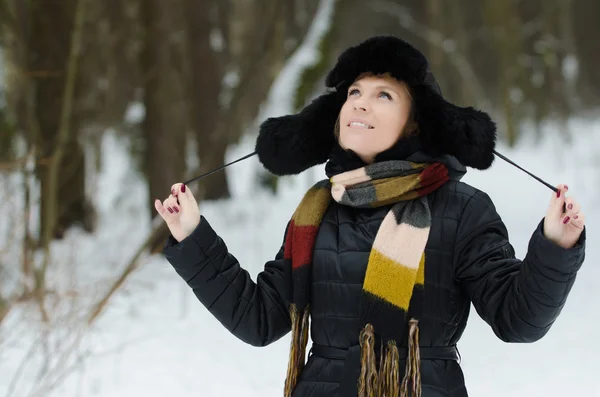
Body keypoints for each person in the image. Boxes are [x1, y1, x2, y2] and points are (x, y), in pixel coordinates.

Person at [155, 36, 587, 397]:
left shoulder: (462, 210)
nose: (360, 105)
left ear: (414, 123)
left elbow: (519, 321)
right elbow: (260, 319)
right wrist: (192, 236)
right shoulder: (316, 210)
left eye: (384, 95)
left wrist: (555, 246)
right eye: (354, 93)